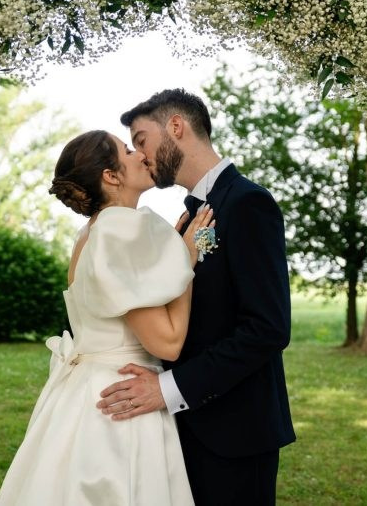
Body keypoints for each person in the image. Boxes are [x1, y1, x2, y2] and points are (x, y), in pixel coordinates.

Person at [0, 130, 215, 505]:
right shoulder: (119, 230)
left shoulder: (90, 233)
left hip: (79, 397)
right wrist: (186, 259)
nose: (140, 156)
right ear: (111, 176)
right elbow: (168, 342)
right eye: (128, 151)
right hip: (122, 402)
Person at [97, 89, 296, 505]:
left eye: (141, 140)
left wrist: (168, 389)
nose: (140, 155)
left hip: (236, 431)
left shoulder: (247, 203)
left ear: (176, 127)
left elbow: (267, 328)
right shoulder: (188, 215)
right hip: (181, 427)